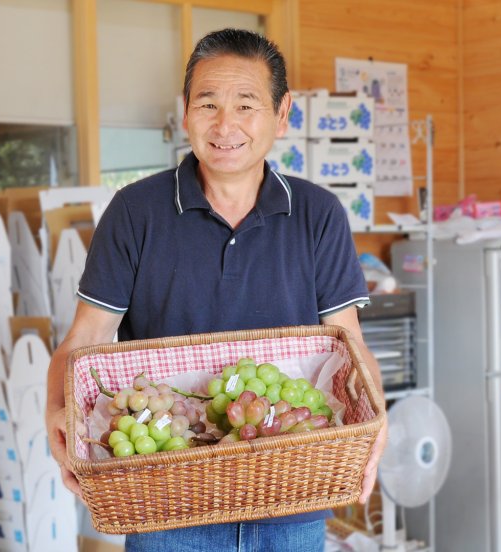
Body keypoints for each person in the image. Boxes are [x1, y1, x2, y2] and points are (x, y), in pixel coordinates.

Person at [46, 28, 386, 552]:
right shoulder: (134, 212)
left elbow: (350, 346)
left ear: (283, 112)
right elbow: (83, 339)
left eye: (246, 104)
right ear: (185, 111)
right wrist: (56, 415)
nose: (225, 125)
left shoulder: (318, 215)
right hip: (165, 505)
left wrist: (375, 425)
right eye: (208, 103)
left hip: (291, 499)